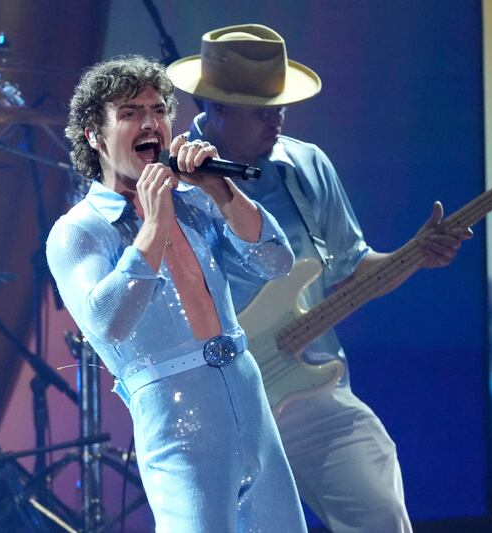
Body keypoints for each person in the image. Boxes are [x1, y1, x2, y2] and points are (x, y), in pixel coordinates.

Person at [167, 25, 474, 532]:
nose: (277, 119)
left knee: (380, 513)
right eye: (262, 110)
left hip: (310, 387)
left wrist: (416, 255)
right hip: (218, 402)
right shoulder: (169, 179)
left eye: (280, 107)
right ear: (214, 107)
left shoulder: (306, 164)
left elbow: (354, 270)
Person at [46, 55, 308, 533]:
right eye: (129, 113)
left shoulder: (197, 201)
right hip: (178, 421)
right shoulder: (79, 231)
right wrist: (153, 223)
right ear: (94, 137)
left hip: (250, 401)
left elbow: (277, 262)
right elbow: (109, 323)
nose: (151, 122)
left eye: (158, 110)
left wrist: (221, 190)